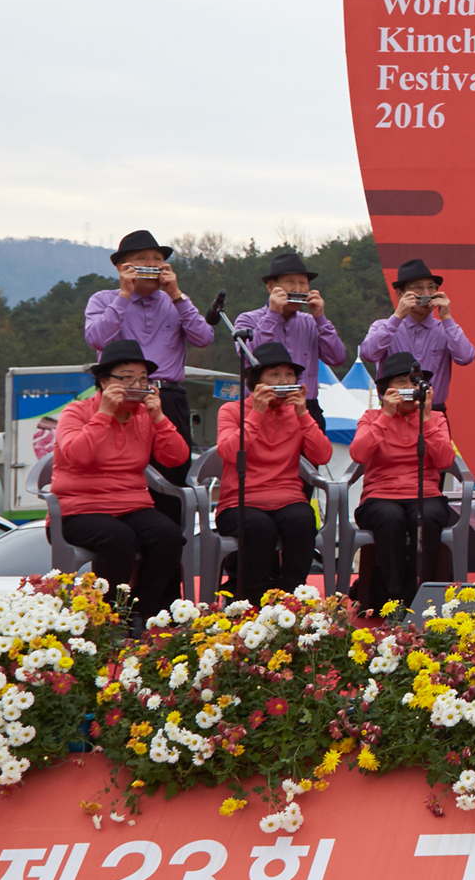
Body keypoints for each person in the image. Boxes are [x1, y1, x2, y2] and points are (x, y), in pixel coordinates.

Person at [53, 338, 190, 623]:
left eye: (142, 379)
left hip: (131, 504)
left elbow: (176, 458)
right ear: (103, 381)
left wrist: (159, 417)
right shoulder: (76, 412)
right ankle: (106, 617)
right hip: (80, 508)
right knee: (119, 539)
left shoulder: (144, 416)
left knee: (168, 535)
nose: (136, 385)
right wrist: (104, 414)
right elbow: (76, 455)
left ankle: (142, 613)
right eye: (127, 378)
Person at [81, 229, 212, 515]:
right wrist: (125, 294)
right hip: (120, 399)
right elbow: (96, 339)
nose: (151, 265)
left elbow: (204, 337)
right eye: (141, 260)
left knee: (173, 477)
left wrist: (176, 295)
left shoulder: (176, 301)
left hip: (167, 398)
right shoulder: (103, 300)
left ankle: (173, 549)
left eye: (157, 260)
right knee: (121, 474)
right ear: (121, 267)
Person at [210, 341, 331, 603]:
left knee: (302, 520)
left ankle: (291, 597)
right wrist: (256, 414)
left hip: (288, 497)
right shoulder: (232, 410)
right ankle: (252, 599)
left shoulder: (298, 413)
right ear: (256, 381)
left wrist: (303, 415)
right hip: (240, 500)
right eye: (274, 374)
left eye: (289, 375)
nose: (283, 380)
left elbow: (323, 455)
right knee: (259, 527)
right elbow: (229, 453)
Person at [348, 351, 458, 613]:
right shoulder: (372, 417)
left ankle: (422, 597)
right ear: (386, 390)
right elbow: (358, 454)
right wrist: (386, 415)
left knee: (428, 516)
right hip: (380, 497)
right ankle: (394, 596)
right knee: (390, 517)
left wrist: (427, 419)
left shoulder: (435, 418)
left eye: (414, 383)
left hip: (425, 494)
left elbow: (444, 461)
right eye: (401, 383)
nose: (409, 389)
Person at [234, 250, 348, 422]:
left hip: (305, 406)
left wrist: (320, 318)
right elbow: (250, 358)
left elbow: (338, 357)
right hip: (263, 406)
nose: (298, 289)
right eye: (290, 282)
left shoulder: (312, 322)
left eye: (303, 283)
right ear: (271, 287)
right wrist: (272, 315)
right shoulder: (248, 319)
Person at [359, 257, 475, 411]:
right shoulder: (384, 326)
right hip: (394, 410)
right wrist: (398, 316)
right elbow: (368, 354)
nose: (426, 294)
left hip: (433, 410)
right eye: (418, 287)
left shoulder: (446, 328)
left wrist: (447, 317)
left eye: (431, 287)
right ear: (400, 293)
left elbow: (466, 357)